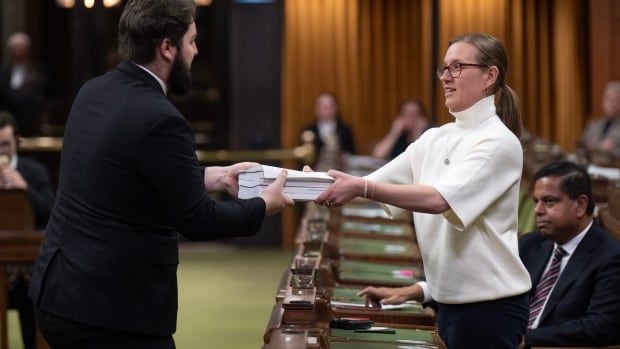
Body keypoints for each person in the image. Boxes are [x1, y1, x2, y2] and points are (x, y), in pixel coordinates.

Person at [28, 1, 293, 348]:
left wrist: (210, 177)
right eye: (192, 41)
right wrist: (263, 204)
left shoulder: (93, 91)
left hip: (57, 297)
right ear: (167, 47)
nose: (196, 51)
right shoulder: (161, 118)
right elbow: (199, 220)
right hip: (111, 314)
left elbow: (122, 180)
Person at [316, 33, 531, 348]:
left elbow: (438, 199)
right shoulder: (435, 137)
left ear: (490, 75)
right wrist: (295, 182)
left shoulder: (498, 141)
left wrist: (361, 186)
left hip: (490, 307)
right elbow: (368, 181)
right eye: (443, 68)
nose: (445, 77)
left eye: (457, 67)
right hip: (450, 302)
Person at [360, 161, 620, 348]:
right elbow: (481, 280)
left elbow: (600, 326)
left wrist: (528, 338)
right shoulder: (533, 244)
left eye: (549, 202)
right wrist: (418, 292)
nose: (538, 210)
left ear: (581, 205)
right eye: (537, 201)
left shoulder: (608, 257)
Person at [0, 111, 54, 349]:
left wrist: (24, 188)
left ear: (17, 142)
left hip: (28, 269)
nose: (1, 152)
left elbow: (50, 213)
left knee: (31, 304)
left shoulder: (35, 172)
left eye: (5, 145)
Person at [0, 32, 50, 136]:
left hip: (31, 125)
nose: (18, 51)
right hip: (6, 124)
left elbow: (44, 100)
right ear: (10, 50)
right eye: (15, 47)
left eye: (21, 47)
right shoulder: (3, 72)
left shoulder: (38, 72)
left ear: (28, 49)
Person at [302, 93, 356, 158]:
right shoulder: (308, 130)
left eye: (330, 106)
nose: (326, 110)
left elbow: (352, 153)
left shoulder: (345, 129)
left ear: (336, 108)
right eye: (323, 107)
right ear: (316, 109)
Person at [581, 81, 620, 157]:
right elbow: (581, 148)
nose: (613, 104)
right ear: (603, 101)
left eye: (617, 100)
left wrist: (610, 150)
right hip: (590, 166)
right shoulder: (593, 125)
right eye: (610, 99)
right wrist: (590, 147)